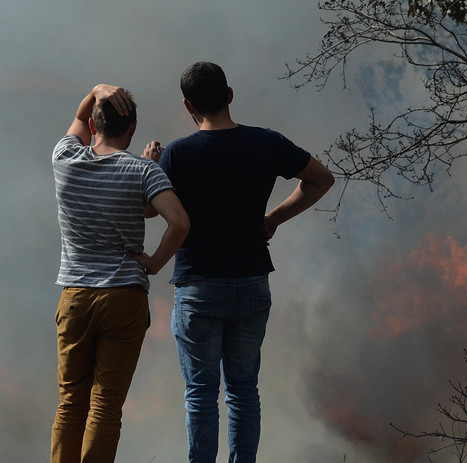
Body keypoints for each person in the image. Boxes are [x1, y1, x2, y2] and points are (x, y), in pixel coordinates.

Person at [144, 61, 334, 463]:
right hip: (251, 284)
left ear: (187, 106)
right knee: (244, 391)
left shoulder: (178, 154)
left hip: (199, 288)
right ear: (230, 95)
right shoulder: (267, 143)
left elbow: (147, 210)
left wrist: (149, 166)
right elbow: (321, 179)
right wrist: (273, 219)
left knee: (201, 394)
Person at [51, 84, 190, 463]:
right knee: (106, 406)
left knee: (69, 404)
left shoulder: (64, 159)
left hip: (76, 296)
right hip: (124, 296)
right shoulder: (143, 171)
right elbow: (178, 222)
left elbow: (79, 117)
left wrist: (97, 90)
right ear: (132, 130)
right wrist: (154, 262)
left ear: (95, 126)